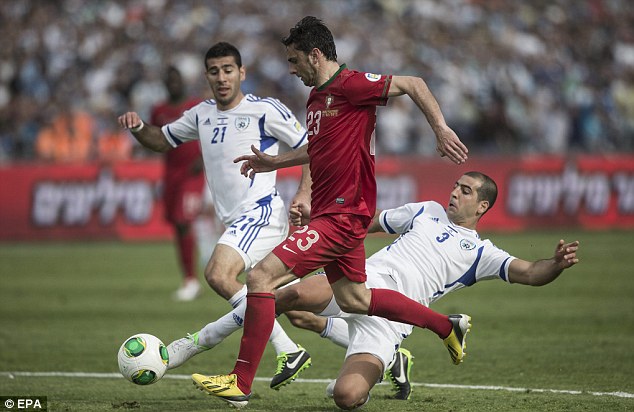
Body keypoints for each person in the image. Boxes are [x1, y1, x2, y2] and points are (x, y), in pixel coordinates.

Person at [191, 16, 470, 408]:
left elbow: (414, 83)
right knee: (355, 299)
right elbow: (319, 147)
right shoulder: (315, 100)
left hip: (343, 216)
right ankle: (446, 326)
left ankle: (240, 381)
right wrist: (274, 162)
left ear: (315, 55)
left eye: (294, 61)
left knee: (260, 277)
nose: (292, 70)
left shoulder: (352, 85)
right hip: (329, 213)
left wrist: (440, 129)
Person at [117, 42, 313, 389]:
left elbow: (312, 147)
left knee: (218, 274)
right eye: (214, 71)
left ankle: (286, 350)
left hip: (260, 212)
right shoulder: (200, 114)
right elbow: (162, 140)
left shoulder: (265, 110)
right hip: (237, 221)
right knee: (296, 309)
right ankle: (386, 354)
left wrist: (303, 193)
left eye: (228, 70)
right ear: (206, 76)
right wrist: (138, 127)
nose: (221, 78)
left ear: (241, 73)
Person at [150, 66, 206, 301]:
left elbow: (211, 133)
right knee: (177, 224)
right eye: (169, 80)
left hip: (193, 172)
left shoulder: (196, 106)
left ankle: (192, 280)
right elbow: (155, 139)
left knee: (184, 221)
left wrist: (203, 158)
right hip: (170, 174)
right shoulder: (159, 110)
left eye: (176, 80)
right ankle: (189, 276)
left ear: (183, 82)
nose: (173, 84)